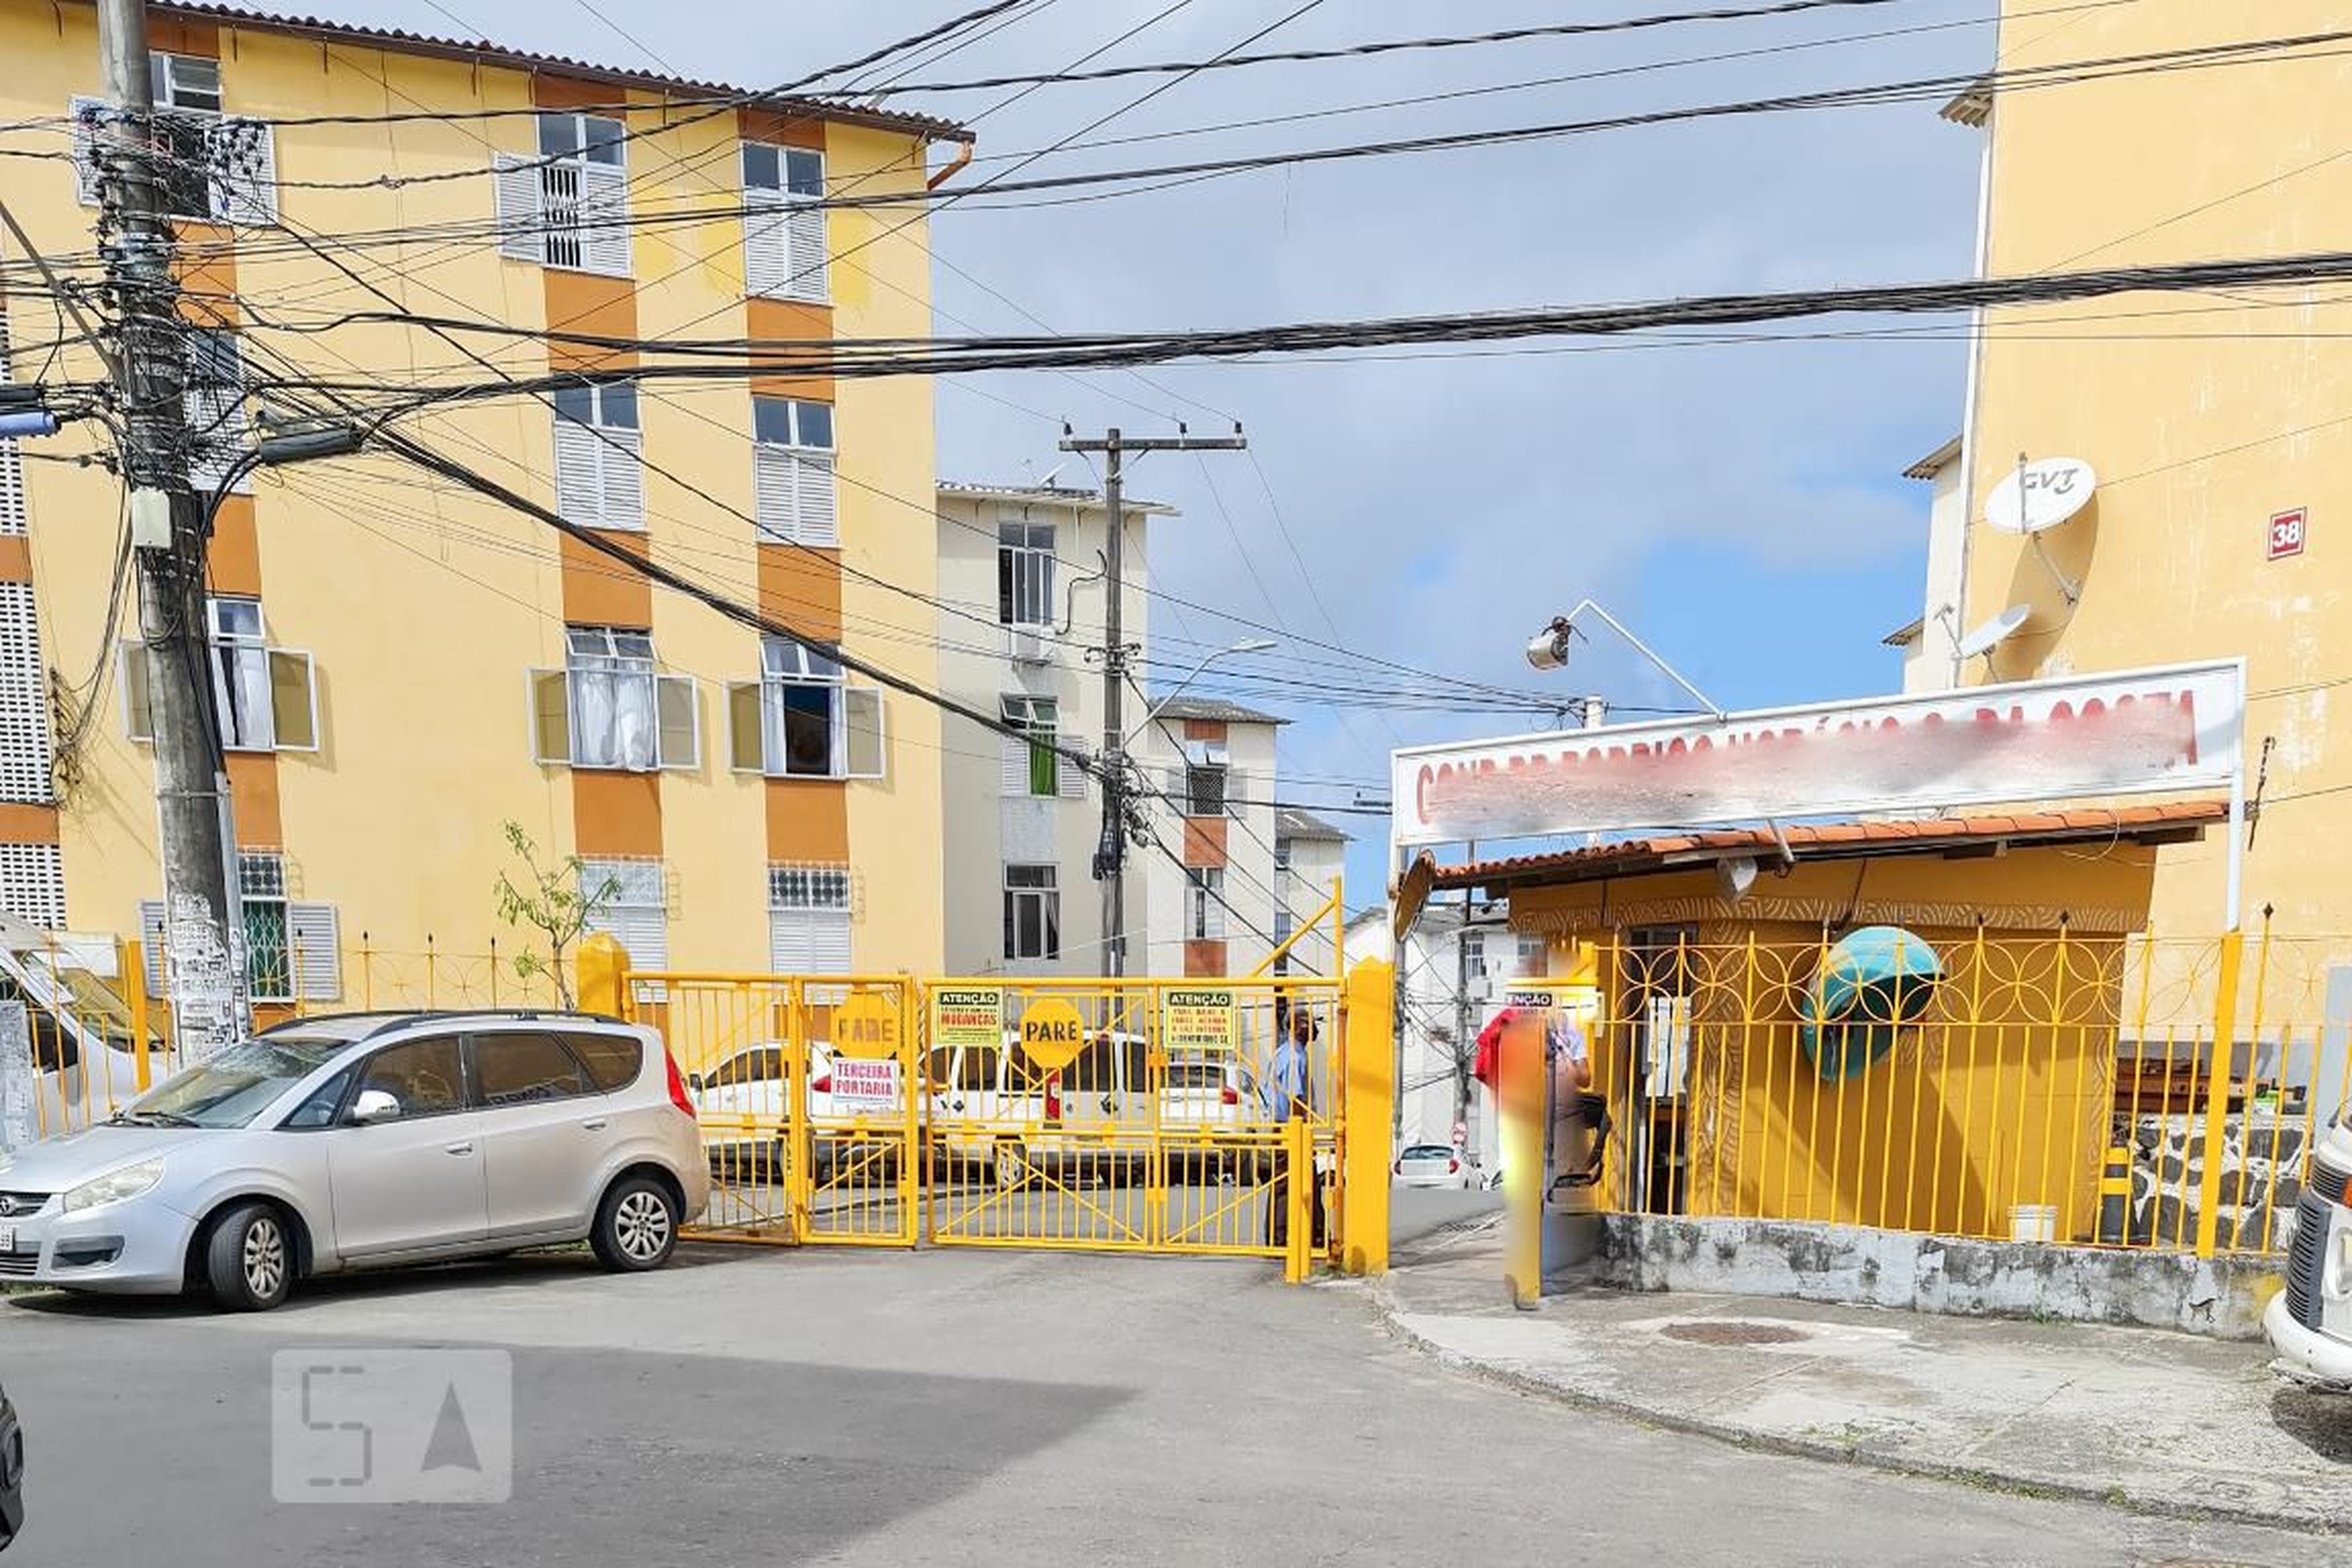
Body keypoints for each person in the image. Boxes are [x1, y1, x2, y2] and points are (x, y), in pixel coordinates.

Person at [1264, 1001, 1324, 1249]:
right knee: (1292, 1185)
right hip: (1291, 1129)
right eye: (1308, 1022)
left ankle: (1294, 1238)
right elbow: (1295, 1099)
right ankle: (1292, 1240)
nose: (1313, 1028)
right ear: (1296, 1026)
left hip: (1285, 1128)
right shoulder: (1294, 1056)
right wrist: (1302, 1131)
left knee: (1291, 1184)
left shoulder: (1285, 1052)